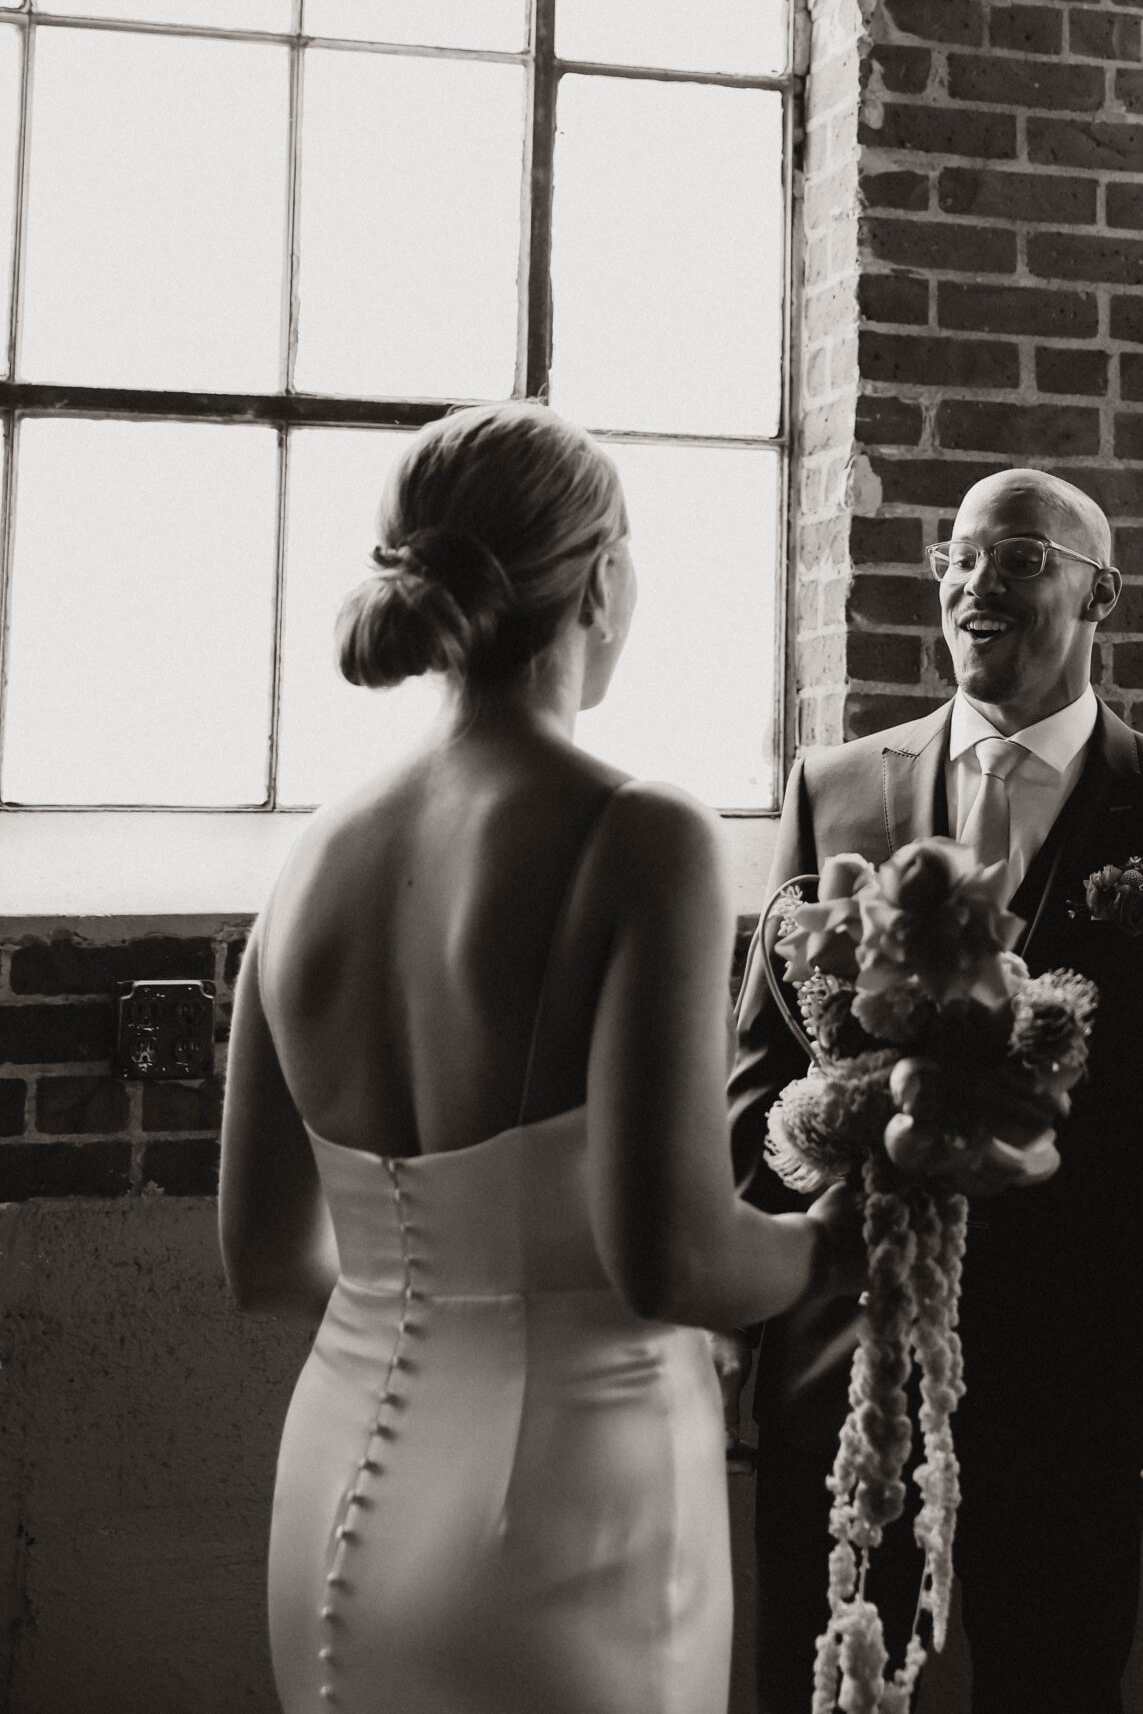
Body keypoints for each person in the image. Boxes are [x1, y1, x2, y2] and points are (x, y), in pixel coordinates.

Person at [219, 399, 862, 1714]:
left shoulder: (310, 865)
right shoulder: (642, 837)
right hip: (567, 1508)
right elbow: (676, 1258)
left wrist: (447, 1282)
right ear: (605, 579)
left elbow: (265, 1259)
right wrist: (858, 1222)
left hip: (334, 1489)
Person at [728, 467, 1143, 1714]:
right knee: (815, 1687)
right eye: (957, 555)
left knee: (1055, 1687)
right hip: (847, 1348)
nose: (973, 580)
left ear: (1104, 595)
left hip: (1078, 1373)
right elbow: (760, 1076)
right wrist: (735, 1324)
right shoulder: (830, 791)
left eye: (1021, 557)